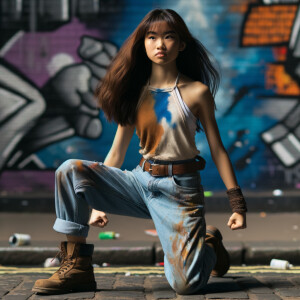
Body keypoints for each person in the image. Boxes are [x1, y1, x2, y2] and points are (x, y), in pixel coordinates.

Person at [32, 8, 247, 295]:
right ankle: (78, 269)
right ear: (143, 43)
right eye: (153, 37)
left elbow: (218, 149)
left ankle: (208, 244)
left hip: (180, 193)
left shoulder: (197, 92)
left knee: (186, 285)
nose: (160, 45)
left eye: (169, 37)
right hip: (140, 182)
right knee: (70, 171)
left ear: (181, 45)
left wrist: (238, 204)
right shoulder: (136, 93)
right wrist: (97, 204)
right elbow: (117, 152)